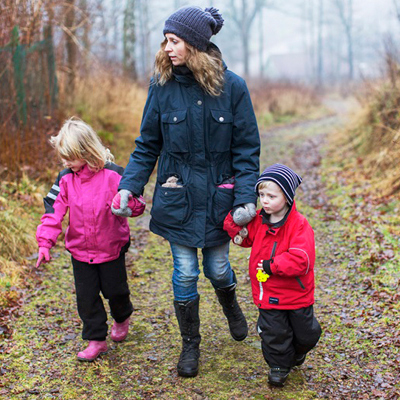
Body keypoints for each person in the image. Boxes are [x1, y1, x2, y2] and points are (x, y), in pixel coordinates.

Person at [111, 6, 260, 377]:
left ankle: (231, 305)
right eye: (166, 39)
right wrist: (128, 186)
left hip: (218, 199)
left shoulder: (233, 87)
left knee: (218, 267)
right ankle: (190, 345)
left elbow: (246, 150)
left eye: (174, 40)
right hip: (176, 199)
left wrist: (245, 198)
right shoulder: (161, 87)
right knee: (185, 272)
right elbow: (147, 145)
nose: (167, 47)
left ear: (194, 44)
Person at [35, 118, 145, 362]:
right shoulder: (65, 179)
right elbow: (53, 212)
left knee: (115, 291)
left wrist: (127, 204)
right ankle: (96, 339)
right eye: (63, 158)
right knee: (86, 298)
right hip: (80, 251)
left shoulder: (114, 175)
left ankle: (122, 316)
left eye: (70, 158)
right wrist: (45, 242)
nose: (65, 163)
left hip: (111, 247)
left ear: (86, 152)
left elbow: (137, 204)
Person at [224, 164, 322, 387]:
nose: (264, 200)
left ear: (286, 197)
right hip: (268, 294)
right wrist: (234, 220)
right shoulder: (259, 219)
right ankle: (278, 365)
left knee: (307, 334)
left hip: (297, 294)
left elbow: (302, 259)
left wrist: (273, 265)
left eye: (271, 196)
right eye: (261, 195)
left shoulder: (299, 225)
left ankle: (297, 351)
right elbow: (245, 238)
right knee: (274, 333)